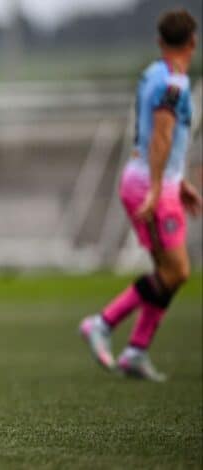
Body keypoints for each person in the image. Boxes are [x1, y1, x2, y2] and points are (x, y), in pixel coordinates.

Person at [80, 9, 202, 381]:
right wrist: (157, 188)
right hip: (150, 186)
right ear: (192, 42)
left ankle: (135, 350)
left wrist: (177, 180)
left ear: (160, 42)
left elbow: (156, 135)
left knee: (168, 272)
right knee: (177, 270)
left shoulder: (154, 73)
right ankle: (103, 322)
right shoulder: (175, 86)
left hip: (153, 181)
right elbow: (162, 136)